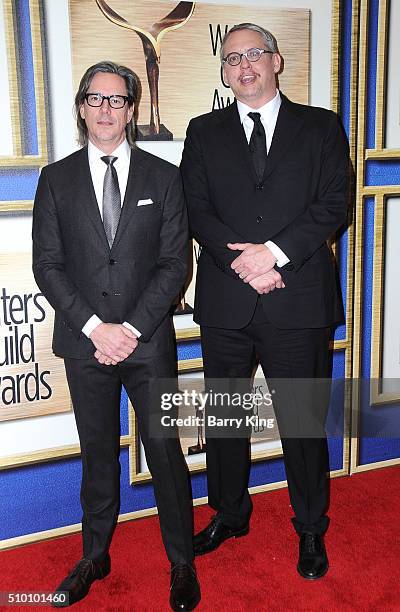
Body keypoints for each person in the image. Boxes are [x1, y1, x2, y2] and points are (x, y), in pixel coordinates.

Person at [180, 23, 349, 579]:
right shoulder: (202, 131)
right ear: (224, 72)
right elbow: (195, 210)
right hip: (228, 301)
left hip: (297, 300)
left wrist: (272, 256)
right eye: (232, 59)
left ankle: (310, 529)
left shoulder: (321, 127)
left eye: (255, 54)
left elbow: (334, 204)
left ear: (277, 62)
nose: (244, 65)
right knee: (226, 417)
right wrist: (243, 263)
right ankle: (229, 514)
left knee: (301, 423)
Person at [32, 61, 200, 610]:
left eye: (118, 100)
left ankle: (181, 561)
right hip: (84, 344)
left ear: (132, 110)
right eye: (96, 99)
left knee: (165, 450)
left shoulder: (164, 175)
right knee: (97, 453)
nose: (107, 110)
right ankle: (94, 555)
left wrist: (127, 329)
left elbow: (176, 264)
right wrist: (94, 328)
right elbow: (48, 265)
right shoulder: (55, 179)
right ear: (82, 107)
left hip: (146, 342)